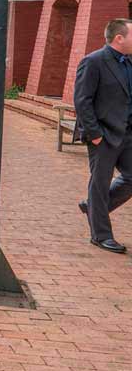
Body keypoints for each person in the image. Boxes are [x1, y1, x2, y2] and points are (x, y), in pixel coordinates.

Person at [75, 18, 132, 253]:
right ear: (119, 38)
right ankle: (100, 235)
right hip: (104, 135)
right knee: (99, 183)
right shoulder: (93, 61)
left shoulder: (129, 62)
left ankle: (94, 208)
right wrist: (95, 134)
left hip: (127, 133)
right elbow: (82, 100)